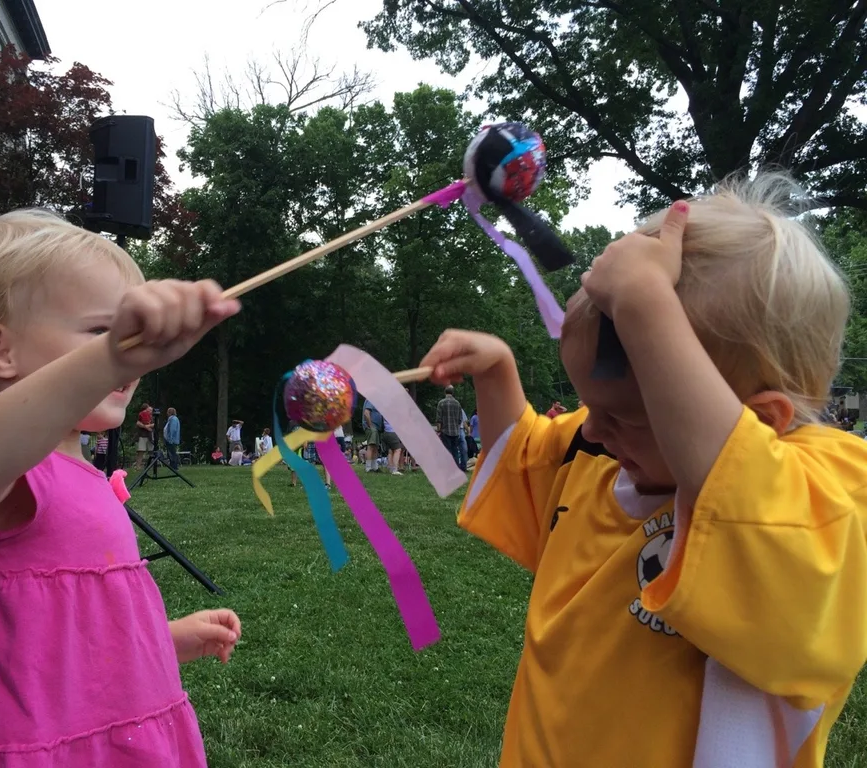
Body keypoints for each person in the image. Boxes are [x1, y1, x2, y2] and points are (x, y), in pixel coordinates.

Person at [420, 176, 867, 768]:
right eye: (589, 405)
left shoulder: (831, 498)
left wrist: (645, 304)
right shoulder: (599, 454)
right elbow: (524, 458)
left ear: (761, 420)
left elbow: (762, 516)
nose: (594, 429)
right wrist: (498, 371)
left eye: (625, 415)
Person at [0, 209, 242, 767]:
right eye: (102, 330)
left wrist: (161, 640)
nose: (129, 348)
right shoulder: (7, 471)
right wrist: (110, 357)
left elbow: (64, 640)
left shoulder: (84, 475)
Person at [435, 385, 464, 470]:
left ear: (445, 392)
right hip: (455, 431)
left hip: (445, 431)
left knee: (447, 450)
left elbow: (439, 419)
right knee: (455, 451)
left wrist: (439, 430)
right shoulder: (457, 403)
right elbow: (460, 419)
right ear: (453, 392)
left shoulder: (441, 403)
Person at [362, 399, 383, 472]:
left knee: (375, 447)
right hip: (372, 427)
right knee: (371, 446)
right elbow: (366, 413)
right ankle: (368, 467)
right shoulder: (371, 400)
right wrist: (370, 426)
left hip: (376, 428)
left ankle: (375, 467)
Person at [133, 403, 154, 470]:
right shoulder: (141, 415)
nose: (150, 411)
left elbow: (155, 424)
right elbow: (138, 423)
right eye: (149, 410)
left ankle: (150, 466)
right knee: (141, 451)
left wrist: (148, 426)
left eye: (151, 410)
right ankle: (138, 466)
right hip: (142, 436)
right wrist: (146, 427)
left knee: (151, 451)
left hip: (150, 436)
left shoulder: (152, 417)